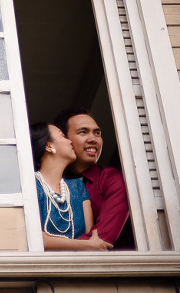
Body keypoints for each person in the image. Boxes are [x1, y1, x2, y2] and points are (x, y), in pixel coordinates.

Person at [53, 107, 134, 249]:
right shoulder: (51, 182)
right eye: (83, 132)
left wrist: (52, 248)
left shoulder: (112, 179)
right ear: (65, 140)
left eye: (97, 133)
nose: (93, 139)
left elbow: (102, 239)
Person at [30, 122, 113, 251]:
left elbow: (88, 236)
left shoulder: (77, 187)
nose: (70, 142)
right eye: (63, 136)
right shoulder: (31, 185)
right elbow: (33, 237)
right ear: (48, 145)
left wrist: (88, 244)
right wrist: (87, 245)